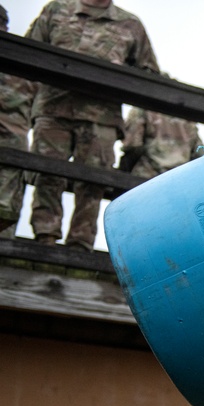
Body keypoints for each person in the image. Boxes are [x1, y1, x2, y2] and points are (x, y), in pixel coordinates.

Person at [25, 0, 158, 250]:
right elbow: (27, 52)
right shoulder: (56, 9)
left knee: (93, 185)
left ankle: (79, 247)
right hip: (53, 110)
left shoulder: (130, 23)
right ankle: (44, 240)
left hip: (103, 118)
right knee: (47, 175)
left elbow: (149, 74)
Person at [0, 4, 37, 239]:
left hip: (11, 153)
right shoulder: (22, 61)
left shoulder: (18, 59)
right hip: (14, 150)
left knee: (5, 216)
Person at [119, 80, 204, 179]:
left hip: (147, 178)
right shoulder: (187, 119)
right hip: (179, 180)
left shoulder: (143, 109)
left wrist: (123, 172)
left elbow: (132, 146)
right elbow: (199, 152)